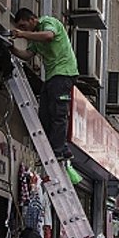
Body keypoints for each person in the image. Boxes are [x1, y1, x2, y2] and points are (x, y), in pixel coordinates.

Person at [10, 8, 78, 161]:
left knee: (57, 111)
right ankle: (60, 148)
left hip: (63, 73)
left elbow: (48, 36)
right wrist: (12, 49)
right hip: (52, 76)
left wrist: (22, 34)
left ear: (33, 19)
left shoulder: (48, 22)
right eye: (20, 28)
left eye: (23, 25)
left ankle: (58, 150)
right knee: (45, 114)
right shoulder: (34, 39)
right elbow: (27, 55)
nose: (22, 30)